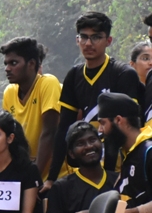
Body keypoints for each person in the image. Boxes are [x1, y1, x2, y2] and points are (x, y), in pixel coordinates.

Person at [46, 12, 143, 185]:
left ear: (108, 41)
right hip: (88, 167)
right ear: (77, 40)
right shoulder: (74, 76)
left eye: (96, 37)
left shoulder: (122, 74)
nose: (88, 43)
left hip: (121, 170)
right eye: (84, 37)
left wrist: (110, 176)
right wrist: (51, 179)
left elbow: (126, 126)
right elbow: (64, 128)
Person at [0, 36, 62, 181]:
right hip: (24, 175)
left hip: (52, 178)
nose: (7, 69)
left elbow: (49, 133)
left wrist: (34, 179)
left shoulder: (48, 84)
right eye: (6, 64)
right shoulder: (9, 92)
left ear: (31, 64)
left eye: (13, 63)